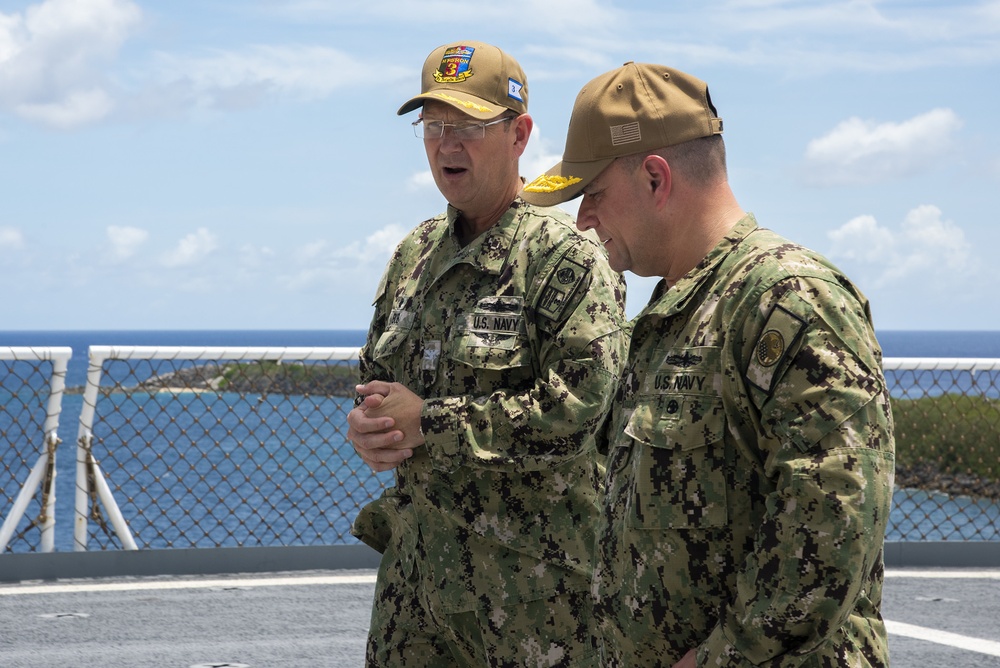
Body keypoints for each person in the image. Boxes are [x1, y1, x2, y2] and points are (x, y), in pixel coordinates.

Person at [521, 62, 895, 668]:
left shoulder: (789, 301)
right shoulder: (671, 316)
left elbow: (833, 533)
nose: (582, 220)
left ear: (654, 178)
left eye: (592, 195)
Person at [346, 40, 628, 667]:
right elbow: (377, 379)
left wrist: (431, 423)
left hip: (536, 602)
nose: (448, 145)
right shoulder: (414, 256)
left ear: (520, 134)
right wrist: (369, 426)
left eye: (469, 126)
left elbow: (579, 411)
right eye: (434, 126)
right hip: (416, 597)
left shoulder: (566, 257)